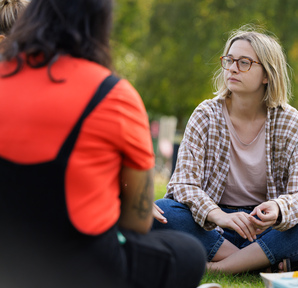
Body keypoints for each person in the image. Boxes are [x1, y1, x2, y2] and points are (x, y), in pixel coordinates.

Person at [0, 1, 206, 287]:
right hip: (79, 265)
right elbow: (138, 221)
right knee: (189, 253)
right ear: (100, 26)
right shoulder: (114, 94)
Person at [152, 26, 298, 274]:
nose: (232, 68)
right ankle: (258, 263)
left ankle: (220, 268)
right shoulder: (205, 115)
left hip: (267, 230)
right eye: (228, 60)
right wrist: (218, 215)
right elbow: (182, 185)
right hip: (215, 228)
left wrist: (280, 208)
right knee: (162, 211)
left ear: (267, 75)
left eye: (245, 62)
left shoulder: (293, 123)